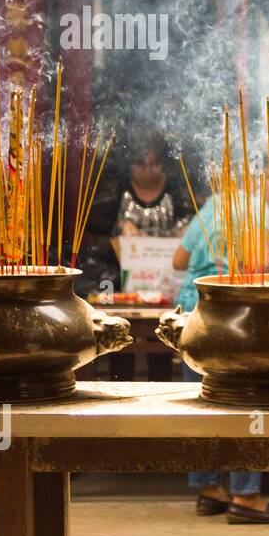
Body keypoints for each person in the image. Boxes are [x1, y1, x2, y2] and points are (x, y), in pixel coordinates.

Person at [171, 192, 269, 525]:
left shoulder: (211, 206)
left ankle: (208, 491)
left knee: (203, 404)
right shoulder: (261, 209)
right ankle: (246, 496)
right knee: (245, 401)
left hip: (194, 311)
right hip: (237, 312)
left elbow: (178, 261)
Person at [107, 129, 194, 381]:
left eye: (154, 164)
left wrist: (181, 230)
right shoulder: (118, 190)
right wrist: (120, 228)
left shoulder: (175, 190)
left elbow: (190, 219)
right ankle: (119, 387)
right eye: (143, 164)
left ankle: (161, 384)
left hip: (165, 282)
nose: (149, 169)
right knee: (120, 336)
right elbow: (96, 227)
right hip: (121, 281)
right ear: (131, 166)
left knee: (160, 336)